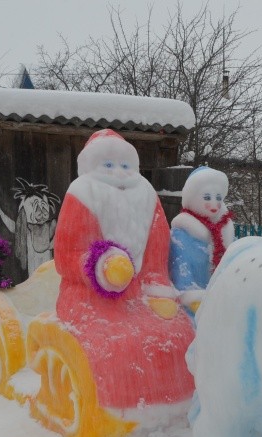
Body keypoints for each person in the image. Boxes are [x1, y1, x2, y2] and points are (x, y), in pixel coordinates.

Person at [52, 129, 194, 411]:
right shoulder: (81, 194)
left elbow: (157, 248)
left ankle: (176, 403)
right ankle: (112, 410)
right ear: (92, 167)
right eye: (108, 165)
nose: (118, 173)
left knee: (178, 334)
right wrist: (99, 267)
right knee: (112, 345)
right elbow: (67, 254)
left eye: (125, 165)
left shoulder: (146, 196)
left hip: (142, 291)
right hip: (89, 293)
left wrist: (157, 284)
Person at [168, 167, 235, 315]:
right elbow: (181, 272)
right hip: (192, 304)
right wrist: (192, 298)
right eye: (207, 198)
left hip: (221, 300)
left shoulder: (225, 232)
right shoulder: (181, 233)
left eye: (218, 198)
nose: (214, 204)